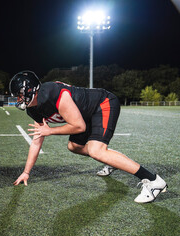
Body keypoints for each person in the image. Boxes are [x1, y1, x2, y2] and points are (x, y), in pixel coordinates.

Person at [10, 70, 167, 203]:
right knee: (74, 147)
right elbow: (37, 141)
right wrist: (26, 172)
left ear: (31, 90)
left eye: (19, 95)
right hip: (86, 115)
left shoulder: (51, 93)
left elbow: (79, 126)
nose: (18, 100)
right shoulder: (34, 109)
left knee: (95, 150)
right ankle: (110, 158)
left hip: (103, 103)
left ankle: (153, 181)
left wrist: (50, 130)